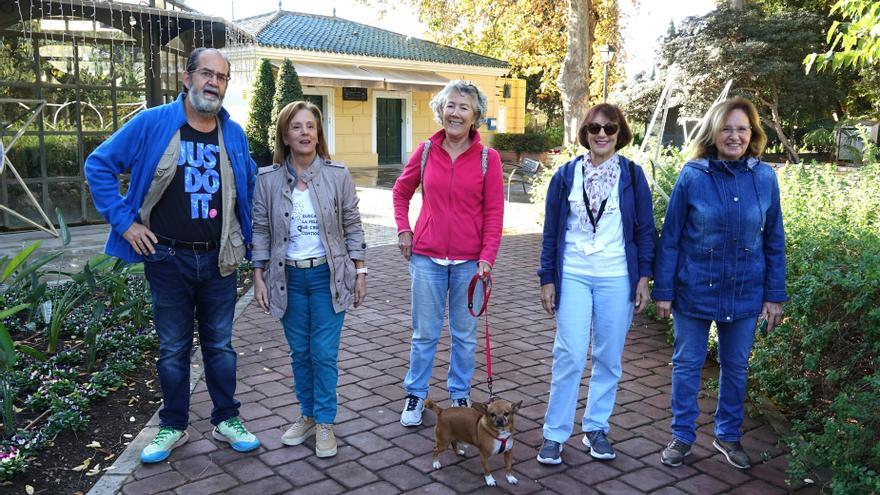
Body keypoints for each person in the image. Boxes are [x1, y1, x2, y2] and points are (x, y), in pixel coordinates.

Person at [85, 48, 260, 463]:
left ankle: (226, 419)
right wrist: (126, 222)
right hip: (167, 258)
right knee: (173, 348)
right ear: (187, 78)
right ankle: (173, 425)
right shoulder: (153, 122)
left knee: (220, 346)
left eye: (222, 76)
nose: (213, 82)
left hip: (218, 259)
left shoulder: (233, 134)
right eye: (206, 73)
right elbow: (99, 165)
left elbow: (251, 189)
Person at [653, 96, 787, 470]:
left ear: (753, 134)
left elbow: (774, 239)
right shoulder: (693, 176)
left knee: (737, 366)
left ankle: (728, 435)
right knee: (686, 364)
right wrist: (663, 290)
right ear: (714, 133)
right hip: (695, 288)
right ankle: (681, 436)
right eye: (727, 128)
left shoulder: (764, 177)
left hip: (746, 290)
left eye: (742, 128)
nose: (734, 135)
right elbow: (672, 237)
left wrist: (774, 296)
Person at [535, 103, 656, 464]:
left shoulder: (633, 176)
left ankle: (596, 427)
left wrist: (644, 277)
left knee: (608, 357)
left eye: (610, 128)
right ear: (585, 133)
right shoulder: (565, 176)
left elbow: (645, 232)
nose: (602, 134)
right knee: (569, 355)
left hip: (617, 277)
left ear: (620, 134)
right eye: (595, 128)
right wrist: (547, 278)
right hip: (572, 273)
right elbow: (551, 232)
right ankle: (554, 434)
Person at [251, 101, 367, 458]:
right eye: (297, 127)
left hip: (328, 277)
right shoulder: (267, 179)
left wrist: (360, 271)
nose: (305, 133)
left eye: (311, 127)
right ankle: (308, 415)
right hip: (287, 279)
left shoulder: (337, 175)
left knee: (323, 352)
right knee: (300, 352)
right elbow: (260, 230)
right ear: (285, 135)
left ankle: (326, 421)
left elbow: (351, 224)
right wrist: (258, 276)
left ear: (319, 135)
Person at [392, 80, 504, 426]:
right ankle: (416, 394)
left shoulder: (489, 159)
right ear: (441, 111)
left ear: (476, 116)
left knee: (464, 334)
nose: (455, 113)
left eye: (464, 107)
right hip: (427, 258)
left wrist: (487, 257)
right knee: (424, 332)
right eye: (450, 106)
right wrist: (404, 229)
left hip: (470, 262)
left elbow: (494, 213)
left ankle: (459, 392)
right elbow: (401, 191)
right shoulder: (426, 151)